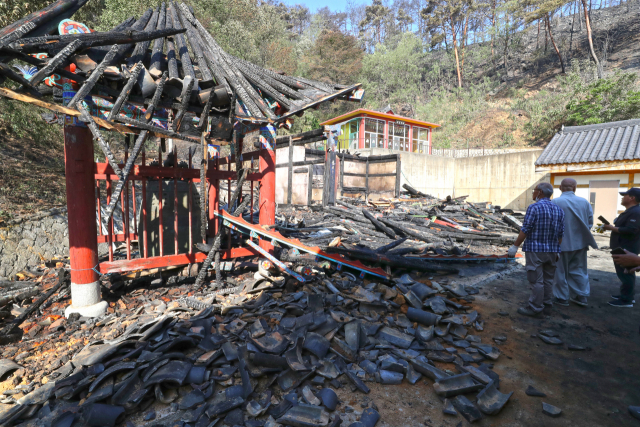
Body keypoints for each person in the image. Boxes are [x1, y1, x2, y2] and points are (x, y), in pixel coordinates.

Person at [508, 182, 565, 317]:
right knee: (548, 280)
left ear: (540, 192)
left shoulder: (534, 208)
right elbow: (561, 234)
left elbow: (526, 229)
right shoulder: (559, 210)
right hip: (552, 251)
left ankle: (535, 308)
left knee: (536, 280)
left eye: (534, 190)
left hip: (536, 250)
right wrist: (557, 249)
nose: (533, 193)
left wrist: (515, 246)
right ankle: (546, 305)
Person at [551, 178, 598, 307]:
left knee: (560, 271)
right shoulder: (584, 202)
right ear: (575, 188)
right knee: (579, 270)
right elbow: (589, 223)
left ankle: (562, 298)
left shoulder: (555, 202)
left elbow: (552, 224)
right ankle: (581, 296)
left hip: (561, 244)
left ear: (560, 188)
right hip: (581, 244)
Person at [603, 188, 640, 307]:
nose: (622, 197)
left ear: (632, 198)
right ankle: (627, 295)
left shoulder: (636, 212)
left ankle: (626, 300)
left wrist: (611, 228)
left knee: (626, 272)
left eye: (625, 195)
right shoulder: (631, 211)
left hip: (627, 248)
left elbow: (631, 230)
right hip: (622, 246)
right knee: (624, 272)